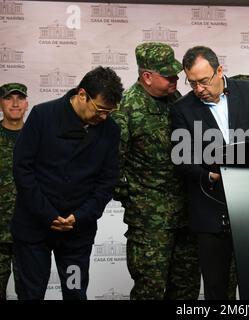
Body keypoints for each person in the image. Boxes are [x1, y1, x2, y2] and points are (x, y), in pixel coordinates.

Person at [170, 45, 249, 300]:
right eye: (192, 83)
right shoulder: (182, 108)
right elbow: (181, 159)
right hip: (210, 211)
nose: (199, 89)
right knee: (216, 288)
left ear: (219, 70)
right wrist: (209, 176)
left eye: (203, 81)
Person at [11, 66, 124, 300]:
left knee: (74, 291)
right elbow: (23, 169)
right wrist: (47, 214)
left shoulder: (110, 131)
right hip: (34, 229)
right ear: (82, 94)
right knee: (31, 293)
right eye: (100, 110)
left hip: (76, 234)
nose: (103, 117)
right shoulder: (43, 116)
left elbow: (107, 181)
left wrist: (80, 216)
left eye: (109, 112)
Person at [112, 42, 200, 300]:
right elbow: (112, 164)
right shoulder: (126, 109)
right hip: (150, 221)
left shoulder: (178, 101)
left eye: (175, 73)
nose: (175, 78)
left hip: (186, 212)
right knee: (149, 289)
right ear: (147, 76)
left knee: (186, 288)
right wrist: (137, 200)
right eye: (167, 74)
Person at [0, 83, 28, 300]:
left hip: (28, 232)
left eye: (20, 98)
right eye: (9, 98)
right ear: (1, 103)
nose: (15, 103)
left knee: (29, 292)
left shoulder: (37, 137)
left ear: (27, 104)